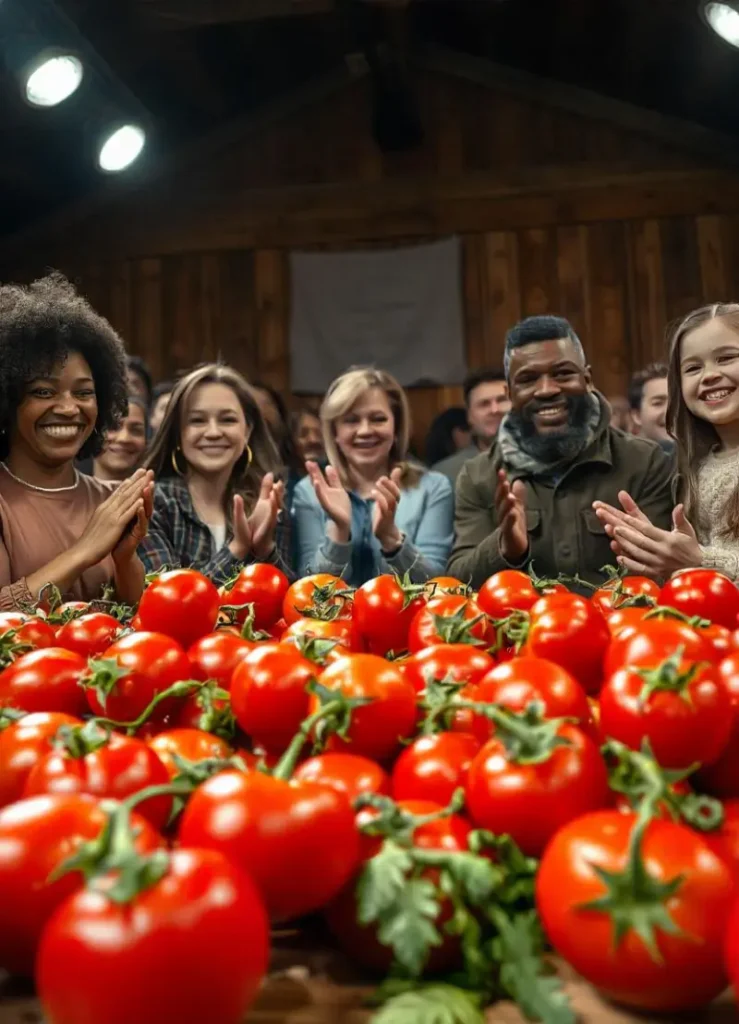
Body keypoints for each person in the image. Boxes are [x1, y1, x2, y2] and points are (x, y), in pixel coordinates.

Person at [448, 315, 673, 588]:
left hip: (622, 627)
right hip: (521, 629)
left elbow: (665, 577)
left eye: (562, 373)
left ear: (587, 379)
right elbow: (458, 583)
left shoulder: (645, 462)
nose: (546, 390)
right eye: (528, 379)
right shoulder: (478, 476)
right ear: (510, 394)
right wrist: (504, 549)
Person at [0, 273, 153, 610]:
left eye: (84, 392)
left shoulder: (111, 500)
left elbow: (137, 620)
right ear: (8, 401)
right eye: (43, 391)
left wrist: (125, 559)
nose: (70, 408)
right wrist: (84, 551)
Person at [595, 303, 739, 580]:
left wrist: (701, 560)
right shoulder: (694, 468)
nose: (709, 375)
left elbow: (702, 562)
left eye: (726, 358)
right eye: (693, 367)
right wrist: (656, 552)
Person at [292, 367, 453, 585]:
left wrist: (392, 539)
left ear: (396, 428)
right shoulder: (310, 490)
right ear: (334, 432)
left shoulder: (433, 487)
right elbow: (308, 589)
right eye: (351, 420)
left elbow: (436, 584)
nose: (365, 430)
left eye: (378, 419)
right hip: (330, 619)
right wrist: (339, 533)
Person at [138, 363, 292, 582]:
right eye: (197, 420)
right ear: (178, 434)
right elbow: (168, 602)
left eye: (227, 420)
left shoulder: (265, 502)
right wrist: (237, 549)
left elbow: (291, 603)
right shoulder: (151, 503)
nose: (213, 432)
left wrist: (265, 549)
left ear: (247, 431)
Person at [433, 369, 510, 484]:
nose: (494, 410)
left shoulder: (542, 462)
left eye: (502, 400)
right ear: (469, 416)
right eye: (484, 404)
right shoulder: (444, 474)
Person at [92, 396, 148, 481]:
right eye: (113, 427)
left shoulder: (162, 493)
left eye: (136, 430)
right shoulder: (66, 490)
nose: (124, 438)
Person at [628, 363, 674, 453]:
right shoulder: (623, 462)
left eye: (677, 403)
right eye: (658, 403)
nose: (670, 411)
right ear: (637, 415)